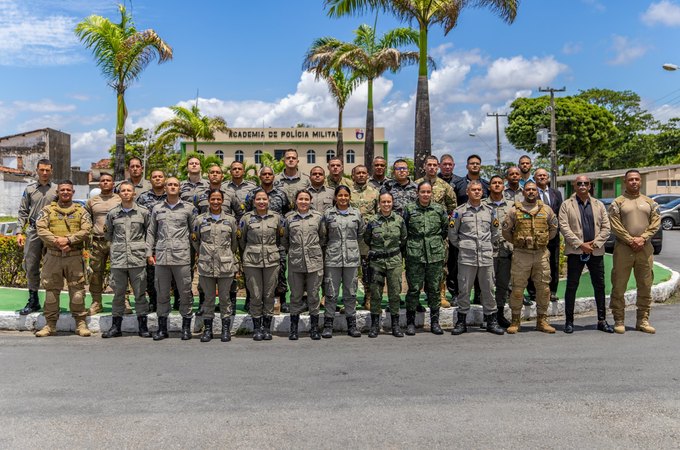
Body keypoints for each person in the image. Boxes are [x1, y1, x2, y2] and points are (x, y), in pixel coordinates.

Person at [34, 180, 92, 337]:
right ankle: (50, 325)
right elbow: (40, 228)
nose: (65, 192)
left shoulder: (81, 211)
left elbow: (86, 230)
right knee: (51, 292)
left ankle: (80, 323)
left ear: (73, 192)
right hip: (53, 256)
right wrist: (57, 242)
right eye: (62, 190)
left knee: (78, 292)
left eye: (68, 190)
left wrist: (68, 240)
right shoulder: (47, 210)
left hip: (74, 257)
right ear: (57, 192)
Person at [449, 181, 505, 335]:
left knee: (488, 289)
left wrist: (486, 245)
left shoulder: (490, 211)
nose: (476, 192)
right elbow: (452, 235)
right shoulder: (459, 212)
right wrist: (464, 246)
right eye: (473, 190)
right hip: (467, 258)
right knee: (464, 289)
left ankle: (491, 321)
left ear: (482, 192)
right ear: (467, 192)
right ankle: (461, 322)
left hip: (486, 257)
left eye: (479, 190)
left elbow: (495, 232)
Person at [502, 181, 559, 334]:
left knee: (544, 289)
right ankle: (515, 320)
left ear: (537, 192)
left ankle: (542, 320)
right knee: (517, 289)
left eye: (534, 189)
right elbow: (506, 231)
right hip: (521, 255)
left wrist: (542, 240)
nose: (531, 192)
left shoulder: (546, 210)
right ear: (524, 192)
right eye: (528, 190)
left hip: (541, 254)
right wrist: (517, 242)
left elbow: (553, 229)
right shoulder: (515, 210)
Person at [608, 170, 661, 334]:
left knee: (645, 285)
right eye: (630, 179)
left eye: (637, 179)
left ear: (641, 181)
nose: (634, 182)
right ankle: (619, 319)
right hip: (624, 249)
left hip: (644, 249)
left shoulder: (650, 203)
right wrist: (631, 240)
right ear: (625, 182)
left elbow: (656, 223)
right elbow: (615, 225)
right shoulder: (618, 203)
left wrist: (642, 238)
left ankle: (643, 320)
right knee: (619, 285)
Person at [558, 176, 613, 334]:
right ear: (574, 186)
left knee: (599, 286)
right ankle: (569, 322)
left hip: (595, 251)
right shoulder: (566, 205)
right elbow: (564, 227)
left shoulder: (599, 204)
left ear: (590, 186)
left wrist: (594, 245)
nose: (582, 186)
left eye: (585, 183)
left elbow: (606, 227)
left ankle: (601, 320)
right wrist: (581, 245)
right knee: (572, 286)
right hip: (576, 251)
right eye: (579, 183)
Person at [146, 177, 197, 341]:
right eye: (170, 185)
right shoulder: (157, 208)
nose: (173, 187)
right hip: (162, 257)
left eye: (176, 185)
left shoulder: (188, 208)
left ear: (180, 188)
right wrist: (148, 253)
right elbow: (151, 232)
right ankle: (162, 329)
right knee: (161, 293)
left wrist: (197, 254)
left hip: (182, 257)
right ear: (165, 188)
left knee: (185, 292)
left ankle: (186, 328)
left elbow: (194, 233)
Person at [102, 181, 152, 338]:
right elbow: (108, 235)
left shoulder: (143, 213)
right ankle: (116, 327)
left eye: (129, 190)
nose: (125, 193)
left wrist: (147, 252)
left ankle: (143, 327)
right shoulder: (113, 214)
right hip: (119, 260)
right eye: (123, 190)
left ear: (134, 193)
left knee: (140, 294)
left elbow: (149, 234)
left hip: (137, 259)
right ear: (119, 194)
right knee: (118, 294)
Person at [192, 189, 239, 342]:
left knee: (225, 298)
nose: (216, 202)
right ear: (208, 200)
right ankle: (208, 330)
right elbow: (195, 241)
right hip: (207, 265)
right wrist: (205, 253)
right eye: (213, 199)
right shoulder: (200, 220)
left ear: (223, 201)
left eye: (219, 199)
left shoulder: (231, 220)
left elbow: (234, 243)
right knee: (208, 299)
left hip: (225, 265)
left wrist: (225, 255)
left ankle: (226, 330)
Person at [403, 181, 449, 336]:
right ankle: (410, 323)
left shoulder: (439, 209)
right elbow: (404, 230)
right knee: (414, 289)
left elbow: (444, 230)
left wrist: (433, 243)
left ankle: (435, 322)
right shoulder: (409, 209)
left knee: (434, 289)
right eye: (422, 192)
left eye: (428, 192)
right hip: (415, 254)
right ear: (417, 193)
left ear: (432, 193)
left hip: (434, 254)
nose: (425, 194)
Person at [238, 190, 284, 341]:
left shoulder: (277, 218)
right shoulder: (246, 218)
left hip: (272, 260)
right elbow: (241, 240)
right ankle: (257, 327)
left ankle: (267, 327)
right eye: (259, 199)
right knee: (255, 295)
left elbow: (281, 238)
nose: (261, 202)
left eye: (264, 199)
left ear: (268, 201)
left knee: (269, 294)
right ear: (254, 201)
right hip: (252, 260)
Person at [322, 185, 365, 338]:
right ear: (335, 197)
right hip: (332, 258)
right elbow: (323, 236)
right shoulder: (328, 214)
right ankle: (328, 325)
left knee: (351, 292)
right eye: (340, 195)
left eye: (346, 195)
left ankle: (352, 325)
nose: (343, 198)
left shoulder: (356, 214)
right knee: (331, 292)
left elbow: (361, 234)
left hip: (351, 258)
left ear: (349, 197)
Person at [245, 167, 291, 313]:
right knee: (254, 276)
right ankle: (250, 300)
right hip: (256, 236)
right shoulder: (252, 194)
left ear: (273, 176)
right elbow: (247, 213)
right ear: (260, 176)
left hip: (276, 237)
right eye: (264, 174)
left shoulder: (281, 194)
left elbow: (287, 213)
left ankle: (281, 300)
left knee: (280, 271)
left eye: (269, 174)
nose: (267, 176)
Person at [282, 190, 326, 340]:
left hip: (314, 262)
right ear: (296, 200)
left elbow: (322, 237)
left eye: (306, 199)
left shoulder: (318, 218)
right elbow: (284, 240)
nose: (303, 202)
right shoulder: (288, 219)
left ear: (310, 200)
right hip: (296, 262)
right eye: (300, 199)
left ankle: (314, 328)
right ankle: (294, 329)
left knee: (314, 295)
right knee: (295, 296)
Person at [16, 158, 58, 315]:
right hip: (33, 231)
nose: (45, 173)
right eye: (42, 170)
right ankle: (33, 300)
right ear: (37, 170)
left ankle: (52, 302)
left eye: (48, 170)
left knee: (52, 266)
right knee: (31, 265)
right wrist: (19, 231)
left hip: (51, 232)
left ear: (51, 171)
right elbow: (22, 211)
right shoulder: (29, 189)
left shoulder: (57, 189)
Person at [415, 155, 457, 309]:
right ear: (424, 166)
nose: (432, 168)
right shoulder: (417, 185)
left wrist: (447, 228)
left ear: (438, 167)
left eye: (434, 165)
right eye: (429, 165)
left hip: (438, 235)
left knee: (441, 265)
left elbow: (453, 208)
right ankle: (417, 297)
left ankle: (441, 294)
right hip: (419, 234)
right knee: (418, 266)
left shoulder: (445, 186)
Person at [364, 192, 407, 338]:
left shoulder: (399, 220)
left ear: (392, 203)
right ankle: (375, 325)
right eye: (383, 202)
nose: (386, 204)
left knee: (395, 293)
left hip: (394, 261)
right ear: (379, 203)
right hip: (377, 262)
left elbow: (404, 238)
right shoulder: (372, 221)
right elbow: (367, 239)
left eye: (389, 202)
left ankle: (395, 325)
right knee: (376, 293)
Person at [222, 160, 257, 315]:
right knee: (230, 268)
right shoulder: (223, 188)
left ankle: (250, 300)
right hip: (227, 234)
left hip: (247, 233)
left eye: (239, 169)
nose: (236, 171)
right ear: (230, 171)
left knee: (248, 268)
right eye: (234, 169)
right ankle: (231, 302)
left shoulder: (252, 188)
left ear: (244, 171)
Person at [85, 172, 121, 315]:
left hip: (115, 241)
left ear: (113, 184)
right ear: (99, 184)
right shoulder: (92, 201)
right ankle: (96, 302)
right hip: (97, 242)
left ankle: (122, 301)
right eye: (103, 181)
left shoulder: (120, 199)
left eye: (108, 180)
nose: (106, 182)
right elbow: (85, 217)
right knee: (95, 273)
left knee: (119, 273)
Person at [484, 175, 513, 328]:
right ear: (489, 187)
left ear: (504, 186)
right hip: (488, 251)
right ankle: (488, 315)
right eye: (494, 183)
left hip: (507, 251)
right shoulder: (482, 205)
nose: (496, 185)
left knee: (503, 284)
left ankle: (500, 314)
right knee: (487, 284)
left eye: (499, 183)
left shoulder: (512, 206)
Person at [136, 169, 167, 312]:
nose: (158, 179)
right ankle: (153, 301)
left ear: (164, 179)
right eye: (154, 177)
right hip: (150, 242)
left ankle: (171, 301)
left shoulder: (172, 196)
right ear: (150, 180)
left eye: (160, 176)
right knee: (151, 275)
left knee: (169, 275)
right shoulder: (143, 198)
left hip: (168, 241)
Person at [350, 164, 378, 310]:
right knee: (351, 270)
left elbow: (379, 214)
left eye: (364, 173)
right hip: (350, 237)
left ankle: (368, 297)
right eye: (358, 173)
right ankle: (351, 299)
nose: (361, 175)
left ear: (367, 175)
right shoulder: (347, 193)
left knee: (367, 269)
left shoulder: (375, 193)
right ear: (353, 175)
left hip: (368, 239)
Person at [534, 168, 563, 302]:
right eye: (539, 175)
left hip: (553, 235)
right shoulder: (531, 192)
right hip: (536, 235)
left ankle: (552, 291)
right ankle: (534, 292)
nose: (542, 177)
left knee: (554, 263)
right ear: (535, 178)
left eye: (544, 175)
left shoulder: (556, 193)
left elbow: (560, 213)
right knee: (536, 263)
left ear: (548, 178)